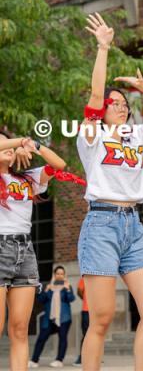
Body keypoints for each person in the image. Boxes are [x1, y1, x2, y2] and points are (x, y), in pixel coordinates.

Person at [77, 12, 143, 370]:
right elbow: (95, 93)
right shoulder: (91, 136)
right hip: (101, 226)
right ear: (100, 112)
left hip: (134, 228)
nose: (119, 105)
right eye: (112, 103)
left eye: (123, 103)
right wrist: (103, 48)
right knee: (101, 318)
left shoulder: (138, 136)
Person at [0, 131, 66, 371]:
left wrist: (33, 145)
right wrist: (18, 142)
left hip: (25, 251)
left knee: (19, 329)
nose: (5, 145)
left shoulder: (28, 178)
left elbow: (58, 164)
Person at [29, 266, 76, 368]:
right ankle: (34, 360)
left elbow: (71, 299)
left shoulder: (67, 286)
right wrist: (46, 290)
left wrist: (68, 290)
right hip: (49, 318)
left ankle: (59, 360)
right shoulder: (49, 286)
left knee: (62, 338)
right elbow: (40, 300)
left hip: (64, 318)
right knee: (42, 338)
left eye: (62, 274)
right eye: (57, 273)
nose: (59, 275)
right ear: (54, 274)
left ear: (64, 275)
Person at [73, 277, 89, 367]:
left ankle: (94, 356)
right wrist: (85, 299)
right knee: (86, 334)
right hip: (86, 310)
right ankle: (81, 357)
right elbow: (79, 290)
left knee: (96, 334)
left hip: (96, 311)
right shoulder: (85, 277)